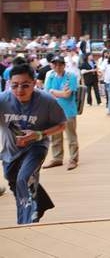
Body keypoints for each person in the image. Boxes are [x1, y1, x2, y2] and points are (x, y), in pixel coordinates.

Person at [0, 63, 66, 224]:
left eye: (25, 85)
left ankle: (27, 221)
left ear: (34, 83)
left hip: (36, 147)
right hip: (10, 149)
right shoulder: (2, 100)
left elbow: (62, 124)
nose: (19, 90)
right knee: (13, 179)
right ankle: (40, 204)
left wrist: (39, 134)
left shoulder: (47, 101)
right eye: (14, 85)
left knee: (24, 178)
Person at [43, 55, 80, 170]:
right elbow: (47, 93)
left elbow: (67, 94)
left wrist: (54, 91)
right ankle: (57, 158)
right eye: (55, 64)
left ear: (64, 65)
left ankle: (73, 159)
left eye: (60, 64)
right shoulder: (51, 76)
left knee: (71, 136)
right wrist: (59, 93)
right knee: (55, 136)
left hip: (68, 110)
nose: (58, 67)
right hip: (54, 110)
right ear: (52, 65)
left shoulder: (71, 76)